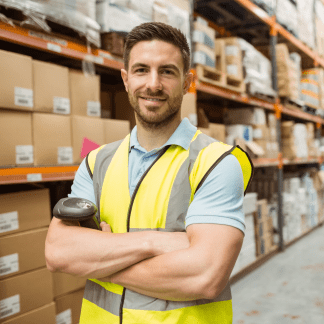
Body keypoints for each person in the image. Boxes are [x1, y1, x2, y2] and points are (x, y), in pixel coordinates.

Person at [45, 22, 253, 323]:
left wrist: (98, 258)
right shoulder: (95, 162)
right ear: (126, 79)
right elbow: (58, 252)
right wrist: (155, 242)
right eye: (141, 70)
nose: (153, 84)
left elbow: (206, 275)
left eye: (167, 71)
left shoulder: (217, 162)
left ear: (187, 82)